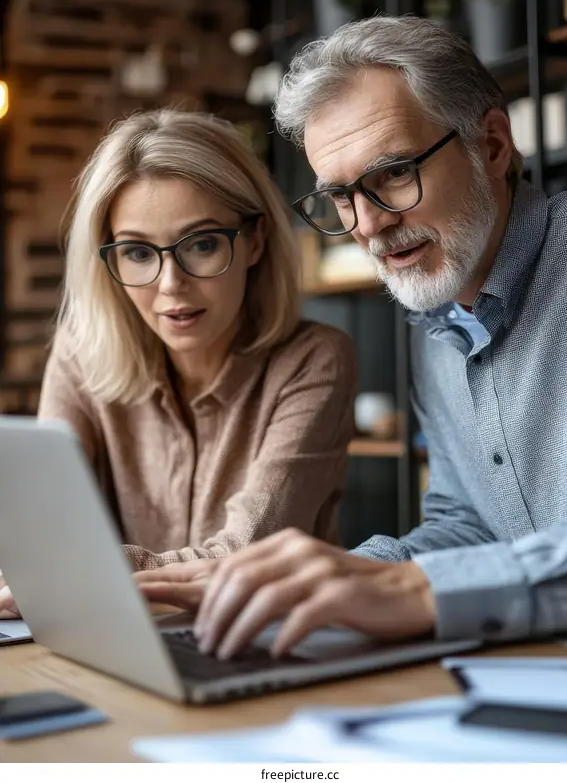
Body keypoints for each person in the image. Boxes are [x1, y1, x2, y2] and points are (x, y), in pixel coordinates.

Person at [135, 15, 567, 653]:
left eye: (393, 174)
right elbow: (469, 523)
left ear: (491, 145)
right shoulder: (436, 317)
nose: (369, 225)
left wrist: (416, 592)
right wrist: (333, 576)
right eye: (342, 196)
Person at [0, 108, 358, 617]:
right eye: (138, 253)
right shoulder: (82, 353)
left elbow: (244, 556)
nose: (171, 285)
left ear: (255, 241)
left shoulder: (314, 361)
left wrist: (83, 571)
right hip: (117, 643)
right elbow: (43, 534)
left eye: (203, 244)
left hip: (269, 643)